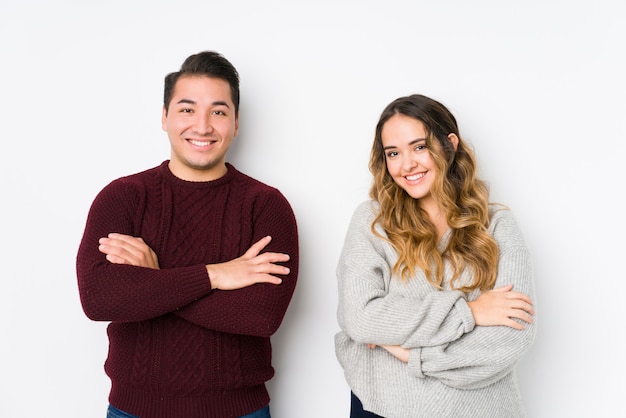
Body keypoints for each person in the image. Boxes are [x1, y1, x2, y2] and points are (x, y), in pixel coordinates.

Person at [76, 51, 299, 418]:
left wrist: (154, 281)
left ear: (236, 123)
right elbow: (99, 299)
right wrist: (215, 275)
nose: (203, 125)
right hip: (135, 410)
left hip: (238, 411)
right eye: (187, 109)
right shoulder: (123, 197)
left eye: (219, 111)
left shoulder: (266, 206)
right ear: (164, 117)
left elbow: (259, 316)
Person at [334, 94, 536, 417]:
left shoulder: (498, 226)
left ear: (449, 145)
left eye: (419, 147)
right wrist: (468, 312)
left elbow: (509, 339)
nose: (407, 164)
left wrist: (406, 353)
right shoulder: (372, 222)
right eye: (393, 153)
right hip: (383, 405)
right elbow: (359, 317)